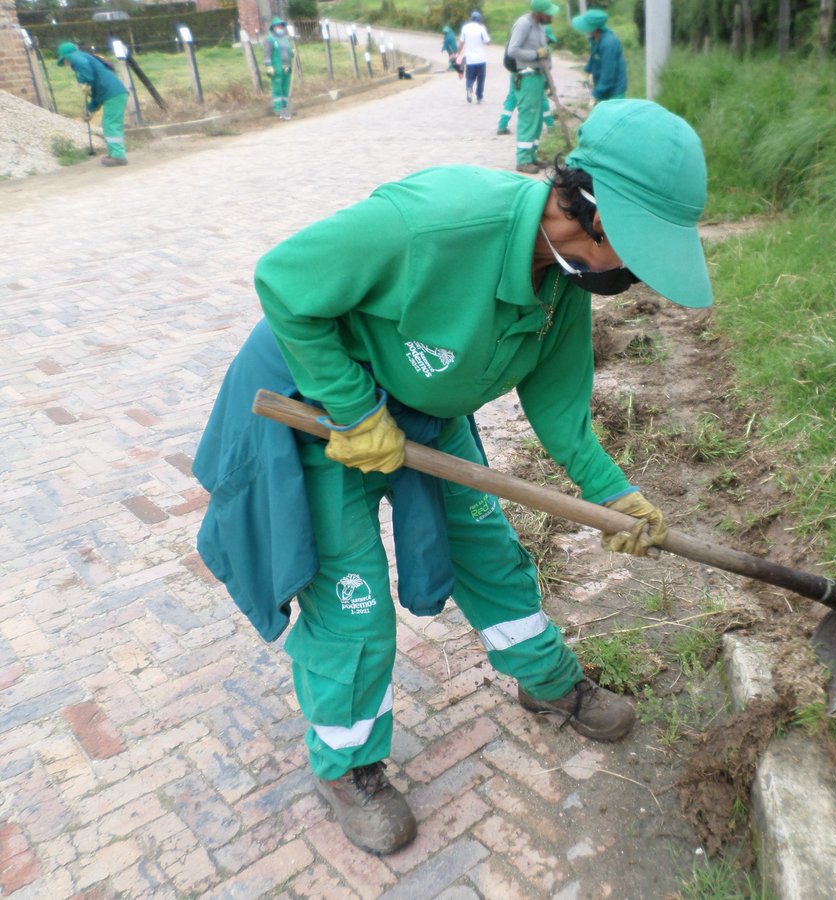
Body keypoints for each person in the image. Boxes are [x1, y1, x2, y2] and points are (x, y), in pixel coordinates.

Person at [194, 99, 712, 857]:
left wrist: (612, 493)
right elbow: (282, 279)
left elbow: (562, 409)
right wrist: (354, 409)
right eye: (641, 252)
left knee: (489, 551)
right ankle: (346, 767)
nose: (640, 277)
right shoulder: (433, 223)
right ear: (592, 215)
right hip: (322, 411)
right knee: (353, 602)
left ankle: (547, 681)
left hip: (428, 414)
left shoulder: (561, 285)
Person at [56, 41, 128, 166]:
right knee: (109, 123)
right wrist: (90, 109)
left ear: (66, 57)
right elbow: (97, 95)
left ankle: (118, 156)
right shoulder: (86, 58)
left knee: (110, 124)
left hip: (113, 94)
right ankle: (114, 154)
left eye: (65, 61)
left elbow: (88, 75)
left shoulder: (76, 58)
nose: (66, 65)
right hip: (114, 93)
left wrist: (84, 81)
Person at [505, 0, 557, 173]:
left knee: (537, 119)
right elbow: (513, 50)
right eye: (548, 13)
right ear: (538, 13)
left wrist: (549, 79)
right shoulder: (523, 24)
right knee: (529, 117)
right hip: (526, 77)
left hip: (538, 77)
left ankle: (532, 156)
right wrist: (535, 54)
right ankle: (523, 160)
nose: (551, 16)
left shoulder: (540, 26)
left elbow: (544, 53)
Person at [497, 23, 555, 135]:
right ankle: (551, 125)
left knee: (512, 97)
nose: (548, 41)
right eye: (548, 38)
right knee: (541, 99)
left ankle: (502, 125)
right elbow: (546, 70)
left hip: (516, 74)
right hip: (533, 77)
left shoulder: (522, 43)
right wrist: (549, 86)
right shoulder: (544, 49)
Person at [572, 8, 626, 103]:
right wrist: (588, 71)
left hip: (614, 90)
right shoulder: (595, 39)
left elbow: (608, 73)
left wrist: (596, 94)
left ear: (595, 27)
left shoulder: (609, 43)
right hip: (602, 86)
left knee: (610, 116)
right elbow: (594, 58)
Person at [262, 17, 294, 120]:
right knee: (277, 90)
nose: (280, 28)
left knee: (286, 89)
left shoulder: (285, 39)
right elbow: (267, 55)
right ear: (273, 28)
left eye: (281, 26)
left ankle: (285, 109)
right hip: (276, 68)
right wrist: (269, 66)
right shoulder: (269, 40)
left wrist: (292, 53)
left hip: (286, 67)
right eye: (277, 26)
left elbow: (287, 52)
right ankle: (278, 110)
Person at [458, 10, 490, 103]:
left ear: (471, 19)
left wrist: (458, 53)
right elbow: (487, 42)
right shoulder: (481, 28)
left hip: (470, 60)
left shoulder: (465, 28)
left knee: (469, 78)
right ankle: (479, 98)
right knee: (481, 79)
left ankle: (469, 92)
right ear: (479, 19)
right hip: (480, 59)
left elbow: (461, 42)